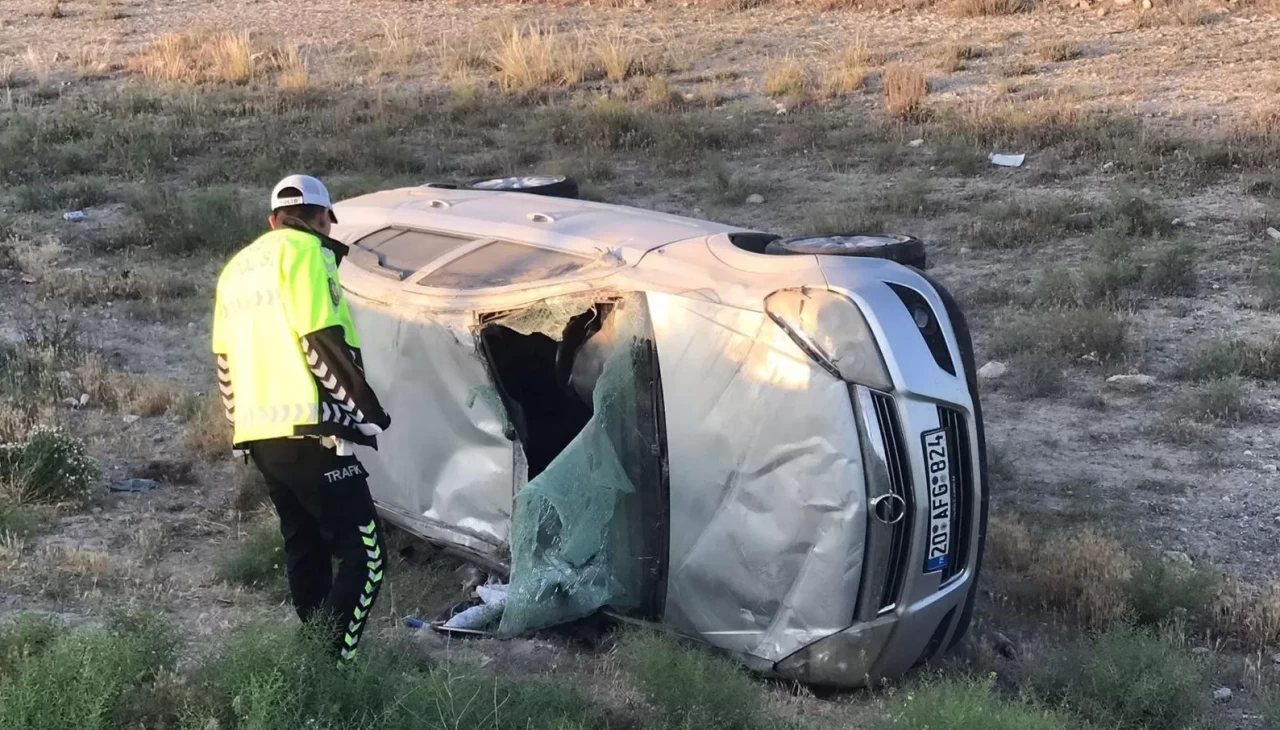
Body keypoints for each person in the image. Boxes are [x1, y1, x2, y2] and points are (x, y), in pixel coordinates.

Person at [211, 174, 392, 661]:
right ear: (322, 218)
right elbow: (322, 340)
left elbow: (224, 363)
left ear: (272, 220)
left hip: (259, 434)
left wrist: (239, 428)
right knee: (367, 557)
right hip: (311, 430)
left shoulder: (236, 268)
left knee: (306, 547)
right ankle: (333, 665)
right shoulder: (309, 253)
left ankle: (311, 658)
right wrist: (365, 412)